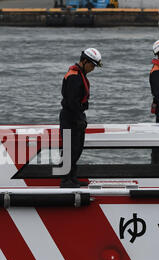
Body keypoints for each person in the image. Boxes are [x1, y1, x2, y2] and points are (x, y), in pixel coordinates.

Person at [59, 48, 102, 188]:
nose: (93, 69)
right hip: (70, 117)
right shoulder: (74, 76)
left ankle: (73, 177)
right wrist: (78, 118)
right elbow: (71, 101)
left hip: (76, 116)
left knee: (77, 149)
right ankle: (65, 180)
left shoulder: (79, 74)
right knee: (69, 149)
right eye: (92, 65)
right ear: (84, 61)